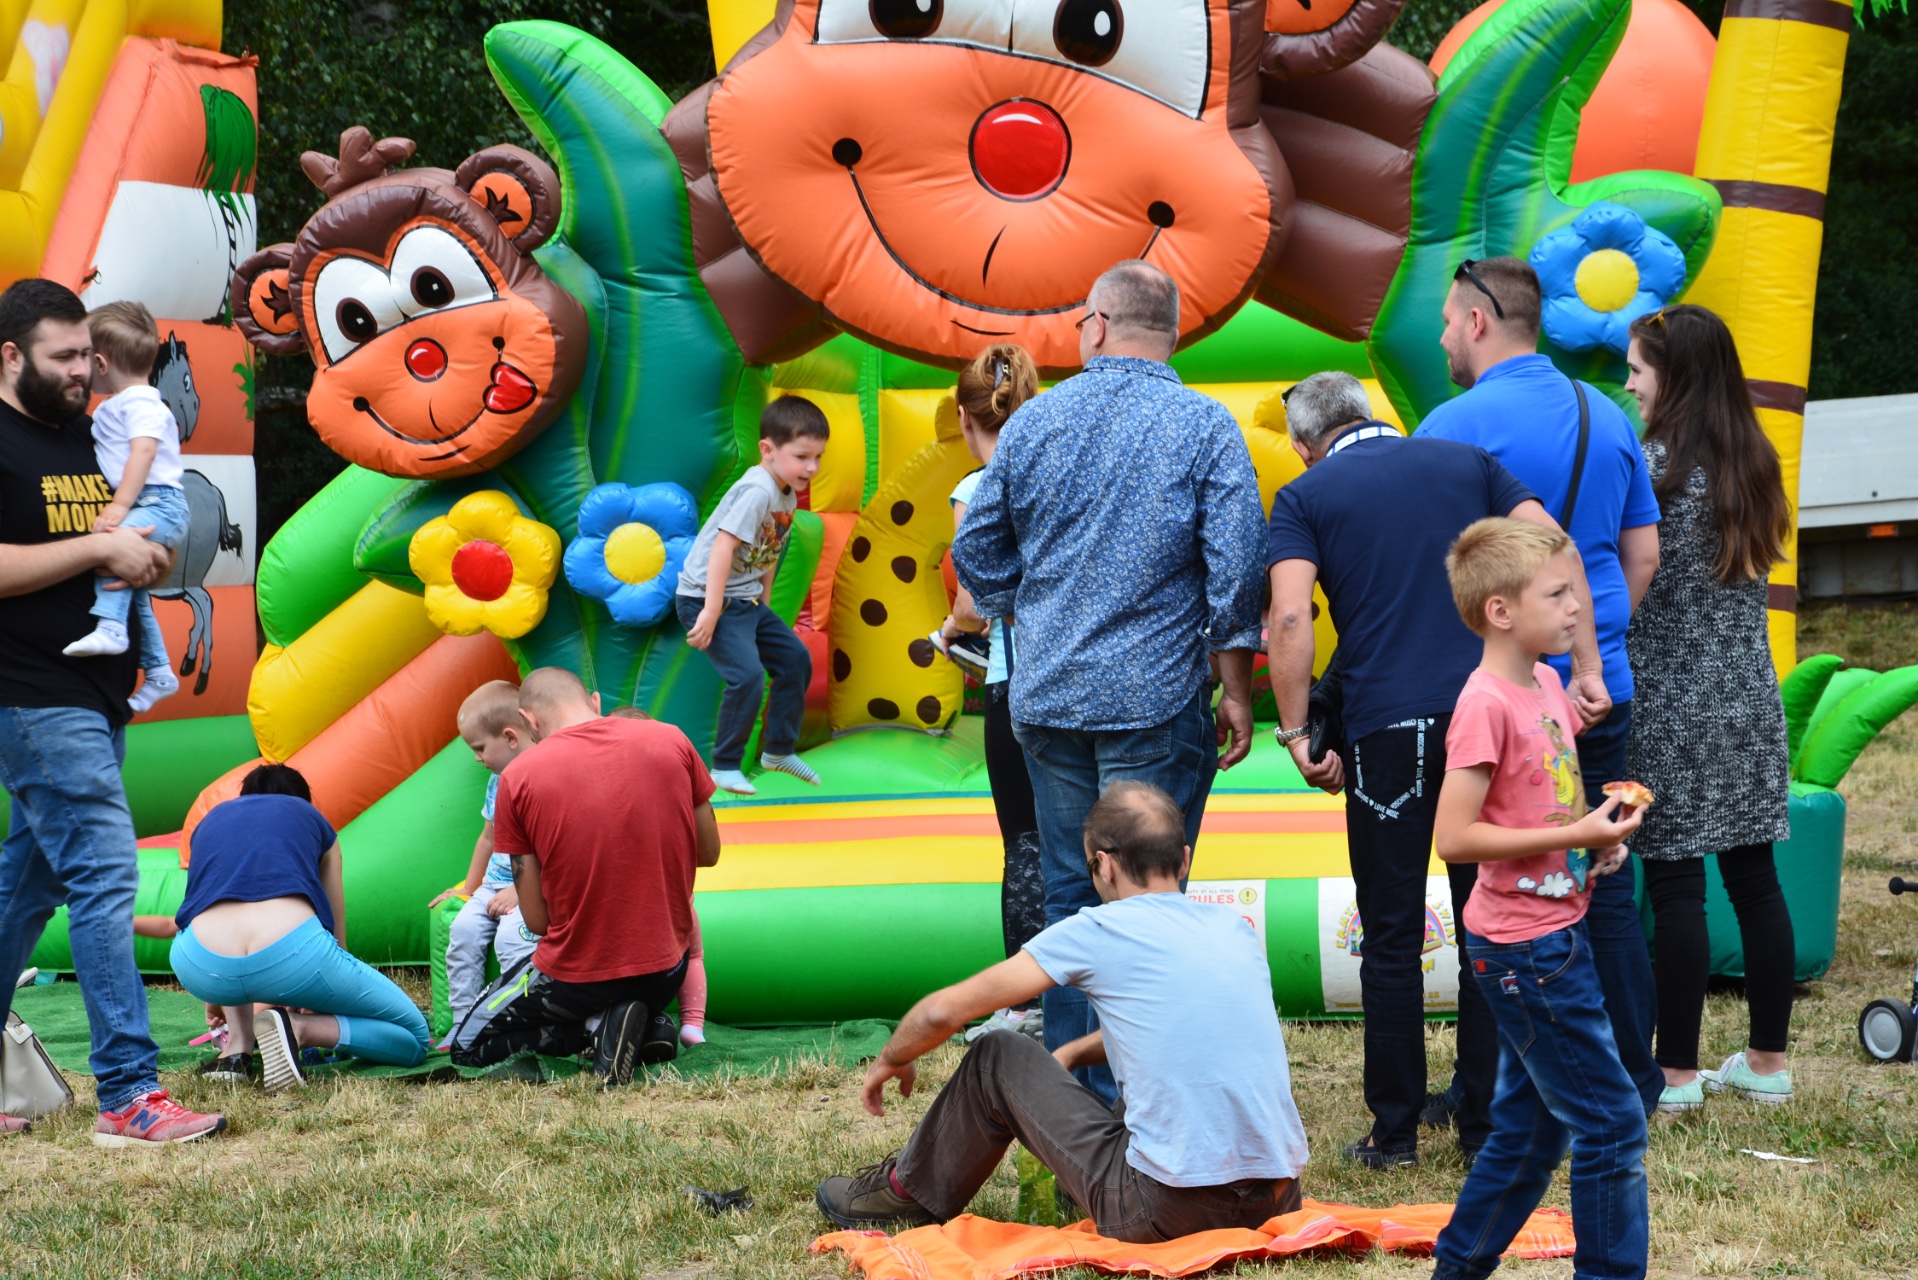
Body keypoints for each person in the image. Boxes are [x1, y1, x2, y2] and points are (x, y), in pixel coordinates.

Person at [951, 260, 1266, 1103]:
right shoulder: (1205, 425)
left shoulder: (1034, 424)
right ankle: (1147, 1095)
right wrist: (1237, 690)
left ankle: (1074, 1108)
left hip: (1048, 697)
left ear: (1094, 326)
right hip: (1153, 700)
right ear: (1172, 333)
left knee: (1068, 895)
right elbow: (1238, 571)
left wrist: (1033, 607)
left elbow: (976, 549)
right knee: (1152, 900)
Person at [1264, 371, 1591, 1168]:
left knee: (1391, 934)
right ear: (1368, 414)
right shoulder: (1467, 462)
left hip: (1388, 732)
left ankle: (1396, 1132)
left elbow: (1290, 615)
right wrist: (1583, 667)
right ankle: (1484, 1121)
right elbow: (1556, 547)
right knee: (1489, 918)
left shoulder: (1306, 496)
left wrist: (1299, 729)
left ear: (1306, 446)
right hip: (1489, 713)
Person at [815, 782, 1308, 1239]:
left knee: (996, 1054)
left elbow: (942, 1013)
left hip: (1164, 1213)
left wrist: (892, 1057)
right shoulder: (1232, 927)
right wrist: (1072, 1052)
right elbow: (1180, 1026)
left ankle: (904, 1194)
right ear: (1183, 859)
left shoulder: (1100, 928)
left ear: (1104, 866)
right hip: (1278, 1204)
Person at [1419, 255, 1665, 1119]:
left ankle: (1495, 1091)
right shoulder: (1604, 412)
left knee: (1498, 892)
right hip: (1599, 689)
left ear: (1478, 321)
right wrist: (1588, 649)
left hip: (1499, 695)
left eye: (1447, 323)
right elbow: (1641, 555)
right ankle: (1633, 1077)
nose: (1443, 339)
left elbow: (1427, 568)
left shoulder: (1449, 425)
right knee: (1606, 877)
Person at [0, 278, 225, 1145]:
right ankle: (129, 1093)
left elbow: (131, 534)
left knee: (27, 890)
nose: (80, 371)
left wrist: (144, 555)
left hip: (97, 696)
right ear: (10, 355)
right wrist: (101, 545)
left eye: (85, 355)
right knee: (104, 873)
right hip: (33, 695)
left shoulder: (84, 431)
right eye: (62, 357)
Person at [1430, 517, 1649, 1280]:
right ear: (1500, 611)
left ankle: (1456, 1271)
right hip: (1526, 951)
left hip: (1558, 932)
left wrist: (1595, 841)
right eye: (1556, 595)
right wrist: (1575, 833)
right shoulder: (1483, 704)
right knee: (1612, 1125)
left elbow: (1552, 803)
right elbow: (1454, 837)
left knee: (1530, 1134)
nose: (1576, 607)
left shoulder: (1549, 682)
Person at [1621, 305, 1796, 1110]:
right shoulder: (1755, 460)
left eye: (1638, 369)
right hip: (1749, 698)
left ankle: (1678, 1074)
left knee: (1677, 890)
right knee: (1757, 884)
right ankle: (1767, 1063)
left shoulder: (1650, 465)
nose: (1630, 384)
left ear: (1674, 375)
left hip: (1668, 700)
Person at [450, 669, 722, 1083]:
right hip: (667, 972)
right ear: (595, 701)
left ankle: (594, 1032)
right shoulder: (672, 739)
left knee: (465, 1046)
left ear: (529, 721)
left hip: (578, 976)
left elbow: (537, 920)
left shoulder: (518, 778)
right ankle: (644, 1025)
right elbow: (709, 853)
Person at [171, 764, 433, 1091]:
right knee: (415, 1036)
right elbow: (333, 934)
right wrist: (316, 999)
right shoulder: (312, 819)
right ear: (301, 800)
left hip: (199, 964)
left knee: (232, 936)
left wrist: (215, 996)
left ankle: (236, 1048)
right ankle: (298, 1029)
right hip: (294, 955)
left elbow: (203, 905)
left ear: (244, 798)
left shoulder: (211, 821)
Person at [938, 342, 1046, 1043]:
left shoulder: (976, 488)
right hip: (1077, 675)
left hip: (1015, 681)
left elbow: (975, 602)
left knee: (1026, 844)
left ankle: (1027, 1002)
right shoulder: (1058, 472)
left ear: (962, 415)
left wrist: (952, 627)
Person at [675, 396, 828, 796]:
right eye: (802, 457)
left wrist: (766, 604)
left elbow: (768, 551)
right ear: (767, 449)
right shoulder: (757, 490)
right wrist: (710, 610)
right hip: (706, 597)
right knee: (747, 677)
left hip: (746, 601)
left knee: (794, 660)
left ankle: (778, 750)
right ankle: (725, 766)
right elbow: (723, 547)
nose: (812, 467)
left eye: (818, 457)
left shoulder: (786, 493)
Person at [61, 302, 191, 714]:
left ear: (100, 363)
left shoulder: (139, 402)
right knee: (132, 586)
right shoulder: (123, 402)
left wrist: (119, 505)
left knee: (113, 546)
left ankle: (111, 627)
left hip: (158, 501)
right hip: (151, 500)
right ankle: (159, 669)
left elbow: (144, 451)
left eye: (84, 357)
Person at [428, 680, 539, 1047]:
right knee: (462, 932)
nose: (477, 758)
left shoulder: (542, 779)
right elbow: (488, 839)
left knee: (511, 940)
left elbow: (549, 849)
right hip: (495, 884)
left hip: (532, 888)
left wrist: (519, 892)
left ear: (510, 738)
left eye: (479, 748)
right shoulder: (496, 782)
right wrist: (468, 888)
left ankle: (516, 1022)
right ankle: (465, 1022)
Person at [608, 704, 709, 1047]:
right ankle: (693, 1023)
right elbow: (704, 850)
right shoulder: (671, 787)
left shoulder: (609, 796)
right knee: (693, 956)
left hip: (625, 910)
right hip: (677, 906)